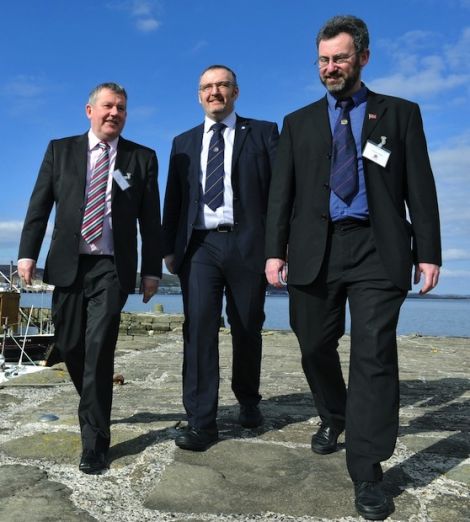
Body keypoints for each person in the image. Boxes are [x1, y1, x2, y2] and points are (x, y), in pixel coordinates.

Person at [265, 15, 441, 521]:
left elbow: (420, 186)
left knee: (373, 355)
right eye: (323, 59)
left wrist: (428, 250)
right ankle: (334, 414)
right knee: (313, 342)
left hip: (377, 248)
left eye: (339, 58)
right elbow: (283, 194)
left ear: (363, 57)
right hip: (314, 249)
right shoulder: (297, 123)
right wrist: (275, 251)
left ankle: (367, 470)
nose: (330, 67)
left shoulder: (400, 114)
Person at [18, 82, 162, 474]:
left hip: (111, 267)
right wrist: (26, 252)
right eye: (108, 106)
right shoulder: (59, 150)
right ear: (89, 111)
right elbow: (38, 205)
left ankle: (95, 442)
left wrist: (152, 270)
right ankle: (94, 404)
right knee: (68, 342)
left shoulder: (141, 158)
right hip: (67, 265)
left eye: (121, 108)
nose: (114, 113)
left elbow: (151, 220)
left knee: (99, 348)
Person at [162, 65, 279, 451]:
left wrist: (279, 247)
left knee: (247, 326)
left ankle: (248, 399)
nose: (215, 92)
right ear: (199, 95)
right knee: (198, 330)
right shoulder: (182, 141)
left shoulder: (263, 133)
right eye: (207, 87)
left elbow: (280, 195)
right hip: (199, 247)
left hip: (248, 244)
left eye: (222, 85)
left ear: (236, 92)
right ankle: (202, 423)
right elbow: (174, 201)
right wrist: (167, 248)